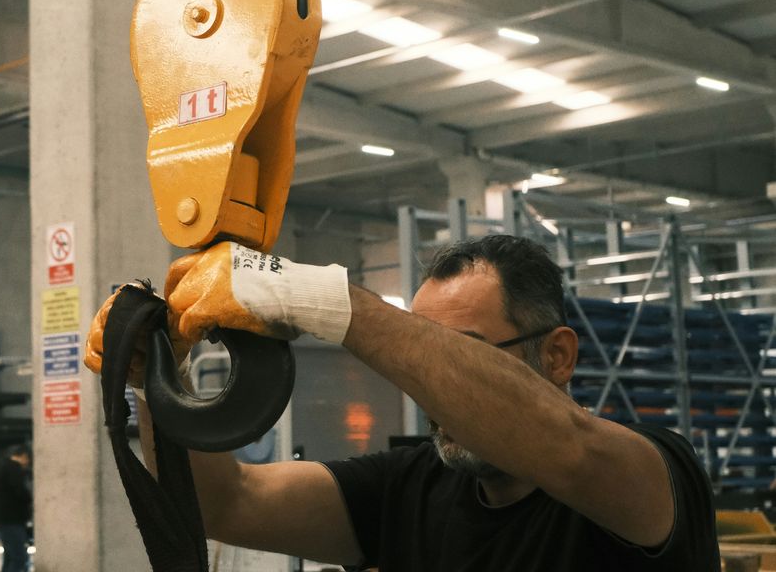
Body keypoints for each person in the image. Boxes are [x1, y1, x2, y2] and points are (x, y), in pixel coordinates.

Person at [84, 235, 720, 571]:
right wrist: (157, 375)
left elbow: (569, 450)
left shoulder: (650, 477)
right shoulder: (408, 489)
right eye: (423, 360)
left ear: (556, 356)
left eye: (460, 354)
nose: (431, 388)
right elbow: (225, 502)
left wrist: (323, 299)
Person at [0, 442, 32, 572]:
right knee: (20, 558)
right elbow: (21, 492)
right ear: (24, 456)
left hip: (3, 519)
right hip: (12, 520)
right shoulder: (14, 470)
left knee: (9, 557)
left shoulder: (3, 467)